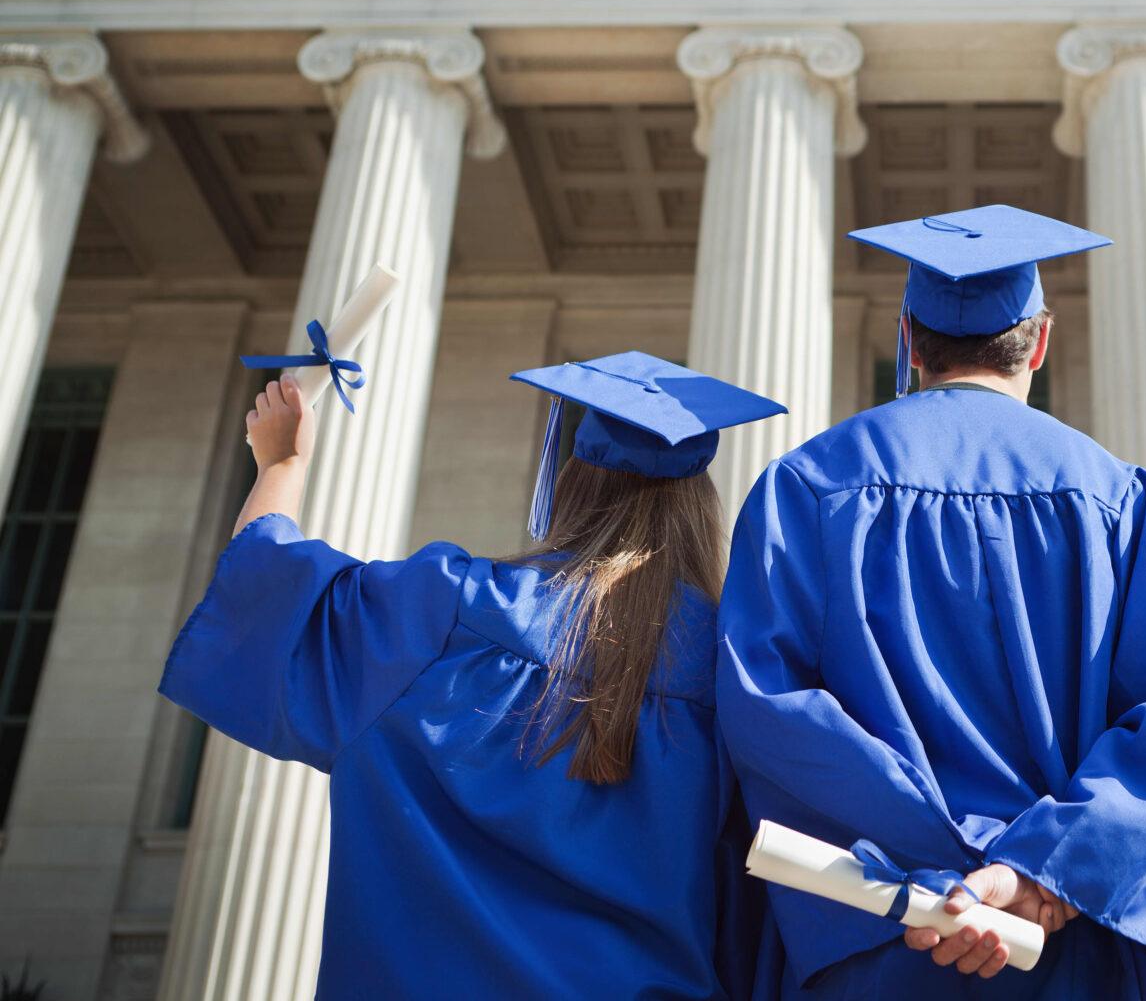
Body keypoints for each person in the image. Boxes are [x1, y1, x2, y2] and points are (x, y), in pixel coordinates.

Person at [716, 204, 1146, 999]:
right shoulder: (1128, 505)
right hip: (1063, 948)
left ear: (910, 338)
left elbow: (769, 712)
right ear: (1041, 343)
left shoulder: (805, 489)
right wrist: (1035, 875)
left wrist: (940, 882)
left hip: (881, 935)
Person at [159, 351, 785, 999]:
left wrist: (281, 465)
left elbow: (269, 583)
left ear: (571, 482)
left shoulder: (439, 615)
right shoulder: (738, 676)